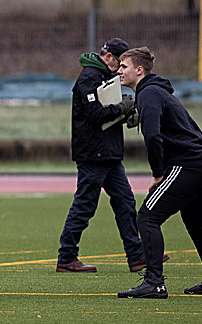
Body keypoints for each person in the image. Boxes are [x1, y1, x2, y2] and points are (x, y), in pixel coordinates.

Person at [116, 47, 202, 299]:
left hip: (189, 164)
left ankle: (154, 282)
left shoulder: (149, 93)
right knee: (196, 222)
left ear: (139, 70)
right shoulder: (156, 91)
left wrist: (158, 174)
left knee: (147, 217)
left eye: (124, 66)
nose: (119, 71)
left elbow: (153, 136)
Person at [56, 38, 157, 274]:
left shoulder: (104, 76)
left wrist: (125, 114)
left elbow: (105, 113)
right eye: (120, 63)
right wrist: (121, 109)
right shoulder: (90, 77)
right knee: (85, 205)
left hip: (108, 152)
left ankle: (137, 257)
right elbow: (94, 113)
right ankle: (66, 257)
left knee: (125, 202)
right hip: (93, 153)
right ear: (109, 57)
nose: (121, 70)